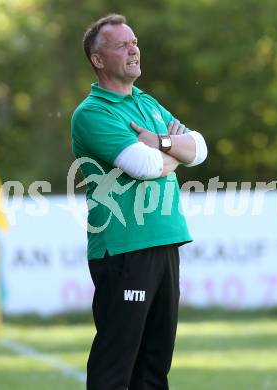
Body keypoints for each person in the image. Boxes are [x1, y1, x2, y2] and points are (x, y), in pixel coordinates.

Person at [71, 14, 207, 390]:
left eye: (134, 42)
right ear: (98, 60)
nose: (133, 49)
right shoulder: (93, 112)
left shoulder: (147, 102)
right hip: (125, 248)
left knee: (154, 370)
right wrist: (173, 150)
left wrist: (162, 143)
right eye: (121, 45)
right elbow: (145, 166)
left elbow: (199, 148)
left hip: (165, 240)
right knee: (116, 369)